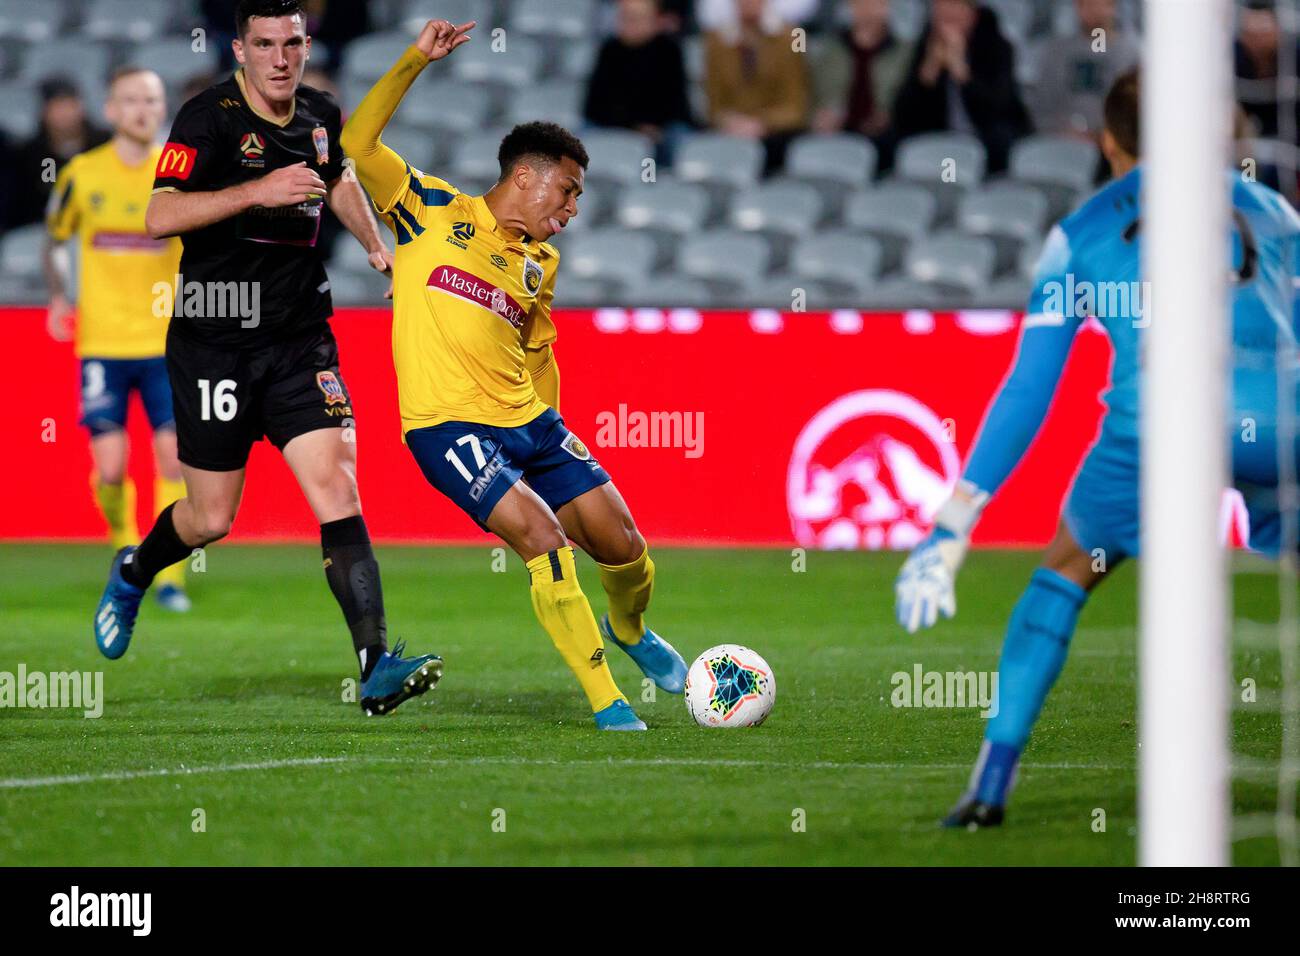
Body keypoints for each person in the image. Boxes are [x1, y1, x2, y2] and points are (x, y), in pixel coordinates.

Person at [894, 70, 1300, 826]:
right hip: (1282, 422)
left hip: (1155, 427)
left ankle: (989, 789)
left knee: (1067, 570)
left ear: (1111, 143)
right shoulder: (1276, 212)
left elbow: (1029, 389)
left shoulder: (1081, 232)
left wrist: (953, 524)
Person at [91, 0, 442, 718]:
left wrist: (375, 246)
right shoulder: (205, 119)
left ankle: (375, 664)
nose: (282, 58)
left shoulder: (319, 112)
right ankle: (134, 569)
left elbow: (339, 176)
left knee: (338, 489)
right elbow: (159, 216)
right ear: (239, 50)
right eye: (265, 44)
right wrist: (257, 190)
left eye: (293, 42)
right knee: (211, 518)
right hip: (214, 340)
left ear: (306, 46)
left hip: (299, 338)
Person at [340, 19, 689, 731]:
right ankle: (607, 702)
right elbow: (356, 146)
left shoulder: (539, 264)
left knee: (627, 549)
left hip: (532, 423)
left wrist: (558, 445)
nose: (571, 209)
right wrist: (416, 60)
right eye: (566, 191)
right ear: (524, 175)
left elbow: (537, 350)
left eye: (579, 199)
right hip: (446, 426)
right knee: (544, 543)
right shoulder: (430, 211)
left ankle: (630, 631)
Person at [45, 68, 191, 612]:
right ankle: (123, 543)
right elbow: (56, 238)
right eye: (130, 100)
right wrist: (61, 296)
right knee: (109, 468)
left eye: (151, 100)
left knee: (174, 460)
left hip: (165, 342)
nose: (141, 109)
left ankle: (171, 577)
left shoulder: (178, 174)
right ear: (109, 110)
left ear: (162, 108)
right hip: (103, 342)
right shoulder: (83, 174)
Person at [890, 0, 1031, 173]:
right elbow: (904, 115)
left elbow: (997, 108)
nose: (945, 15)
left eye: (953, 8)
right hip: (940, 135)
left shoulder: (997, 47)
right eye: (940, 10)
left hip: (985, 136)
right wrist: (928, 74)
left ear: (972, 15)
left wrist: (962, 74)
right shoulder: (926, 46)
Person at [584, 0, 695, 167]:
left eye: (637, 18)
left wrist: (652, 128)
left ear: (656, 21)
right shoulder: (609, 50)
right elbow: (595, 105)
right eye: (625, 17)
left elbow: (674, 103)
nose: (630, 23)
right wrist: (632, 126)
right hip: (615, 124)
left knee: (680, 139)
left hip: (659, 129)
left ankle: (663, 186)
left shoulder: (670, 51)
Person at [703, 0, 810, 174]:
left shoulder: (792, 37)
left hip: (776, 135)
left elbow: (796, 107)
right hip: (730, 132)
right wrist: (729, 121)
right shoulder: (716, 40)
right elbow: (713, 104)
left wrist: (762, 123)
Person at [1027, 0, 1139, 143]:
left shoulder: (1130, 54)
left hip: (1114, 144)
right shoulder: (1057, 51)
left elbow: (1132, 111)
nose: (1087, 10)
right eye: (1082, 4)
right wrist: (1062, 129)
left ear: (1112, 6)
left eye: (1095, 3)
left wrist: (1103, 135)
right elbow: (1041, 106)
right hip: (1061, 139)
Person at [5, 78, 110, 229]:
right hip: (46, 227)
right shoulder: (32, 153)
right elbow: (27, 202)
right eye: (57, 107)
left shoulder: (104, 144)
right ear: (44, 112)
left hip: (99, 224)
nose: (64, 114)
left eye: (69, 106)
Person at [812, 0, 913, 144]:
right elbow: (813, 92)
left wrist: (889, 116)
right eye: (860, 3)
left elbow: (911, 98)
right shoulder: (832, 49)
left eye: (874, 3)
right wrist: (821, 115)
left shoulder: (904, 52)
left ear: (886, 6)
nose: (867, 9)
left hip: (885, 136)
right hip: (837, 131)